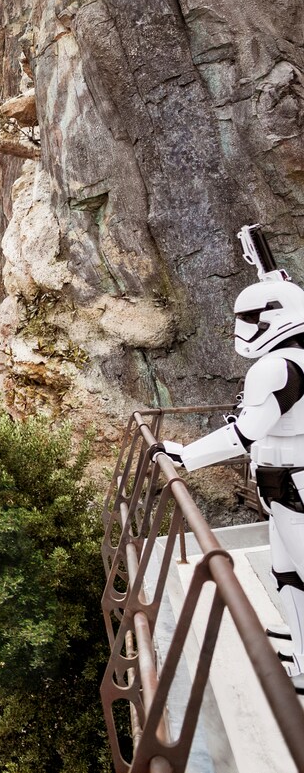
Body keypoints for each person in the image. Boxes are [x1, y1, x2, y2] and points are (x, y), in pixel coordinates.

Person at [165, 226, 304, 693]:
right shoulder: (295, 356)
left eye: (250, 317)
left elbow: (244, 435)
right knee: (287, 573)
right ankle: (302, 651)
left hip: (293, 482)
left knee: (299, 572)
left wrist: (185, 456)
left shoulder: (276, 366)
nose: (242, 327)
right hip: (284, 481)